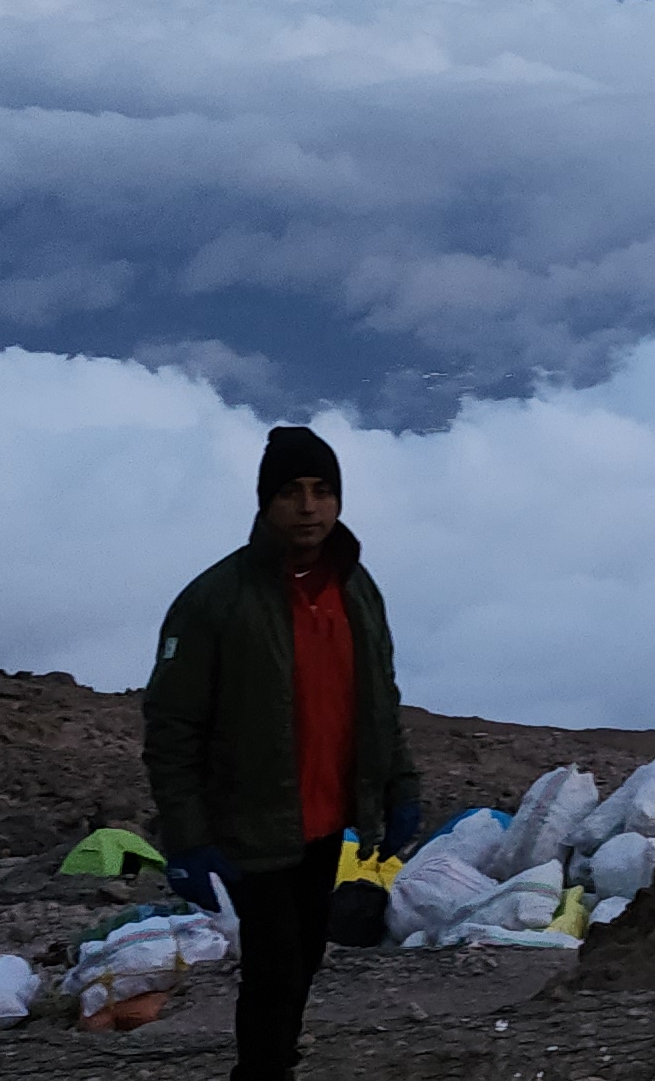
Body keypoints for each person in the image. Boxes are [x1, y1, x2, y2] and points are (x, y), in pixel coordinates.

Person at [144, 425, 423, 1081]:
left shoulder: (356, 588)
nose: (308, 507)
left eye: (322, 491)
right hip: (253, 823)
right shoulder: (215, 601)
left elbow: (380, 699)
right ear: (265, 501)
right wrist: (187, 838)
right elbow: (172, 727)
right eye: (291, 492)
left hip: (325, 823)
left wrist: (399, 786)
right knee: (274, 969)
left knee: (303, 959)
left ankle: (274, 1066)